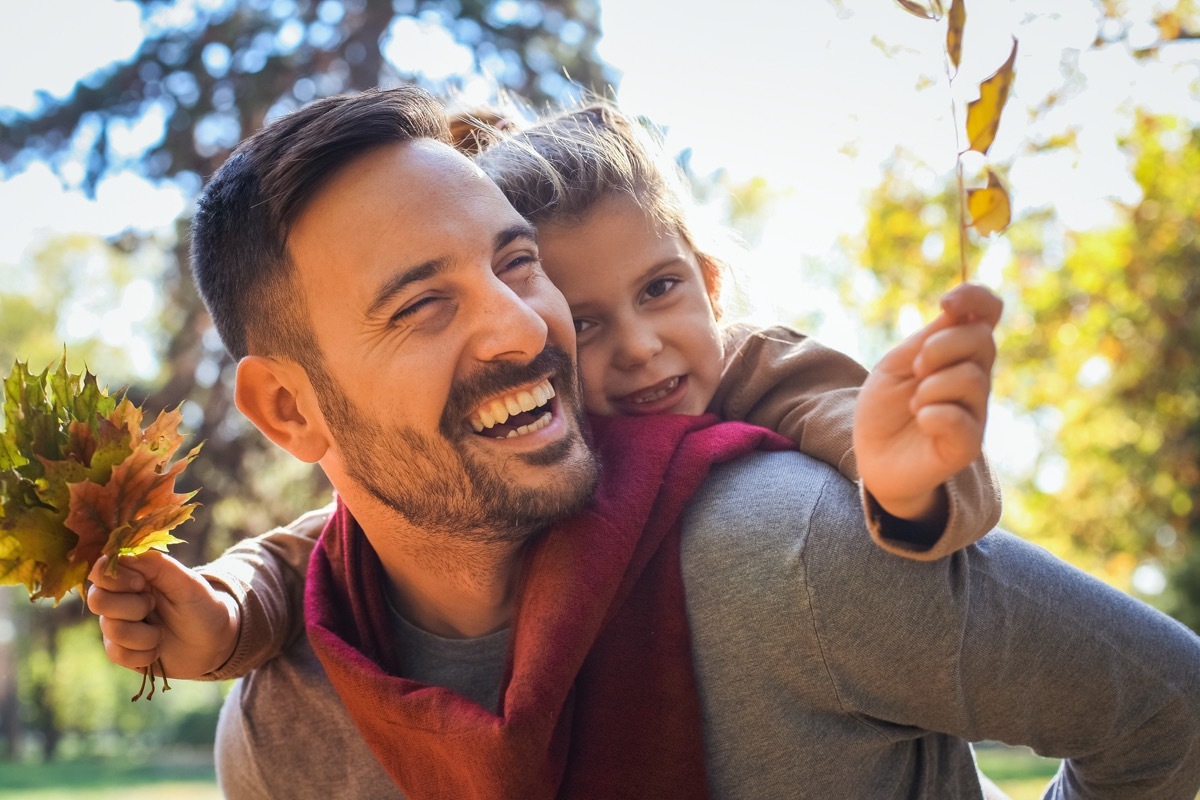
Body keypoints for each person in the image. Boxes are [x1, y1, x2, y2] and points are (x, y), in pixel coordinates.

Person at [87, 86, 1200, 799]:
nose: (530, 324)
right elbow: (313, 544)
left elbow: (1168, 714)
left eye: (518, 263)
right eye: (423, 302)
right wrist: (232, 610)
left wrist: (902, 489)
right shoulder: (283, 730)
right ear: (289, 412)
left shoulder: (791, 548)